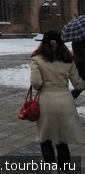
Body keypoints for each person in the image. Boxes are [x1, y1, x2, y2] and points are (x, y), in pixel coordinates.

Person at [30, 30, 85, 167]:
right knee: (62, 141)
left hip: (46, 102)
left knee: (45, 139)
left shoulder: (37, 60)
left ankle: (51, 168)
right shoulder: (68, 60)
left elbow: (36, 83)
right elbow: (79, 84)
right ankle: (64, 170)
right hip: (65, 102)